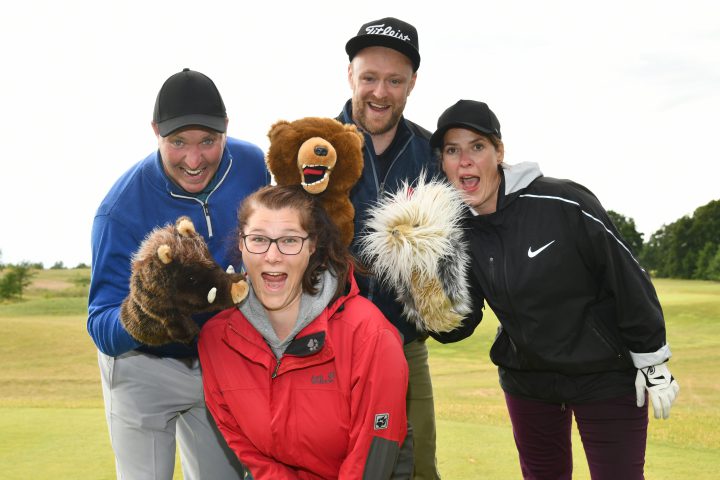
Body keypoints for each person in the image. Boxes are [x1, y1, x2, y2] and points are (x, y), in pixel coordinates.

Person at [429, 99, 680, 479]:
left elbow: (626, 275)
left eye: (477, 146)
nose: (464, 160)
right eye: (452, 150)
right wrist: (422, 287)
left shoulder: (563, 201)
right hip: (529, 381)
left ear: (499, 152)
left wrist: (653, 359)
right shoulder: (455, 231)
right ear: (443, 162)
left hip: (604, 374)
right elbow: (460, 323)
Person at [87, 68, 268, 479]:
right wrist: (146, 312)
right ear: (156, 132)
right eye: (178, 142)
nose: (193, 159)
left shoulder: (252, 166)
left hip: (219, 358)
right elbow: (100, 325)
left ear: (226, 129)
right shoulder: (119, 211)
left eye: (208, 141)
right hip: (141, 367)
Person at [198, 185, 412, 479]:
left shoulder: (369, 334)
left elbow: (372, 455)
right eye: (259, 239)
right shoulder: (215, 340)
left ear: (312, 246)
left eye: (289, 240)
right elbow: (251, 455)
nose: (272, 256)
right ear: (241, 245)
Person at [337, 17, 442, 479]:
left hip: (405, 347)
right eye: (370, 78)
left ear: (412, 84)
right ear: (350, 76)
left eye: (394, 80)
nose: (380, 92)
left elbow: (459, 251)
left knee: (419, 472)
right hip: (327, 350)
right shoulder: (315, 146)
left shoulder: (431, 154)